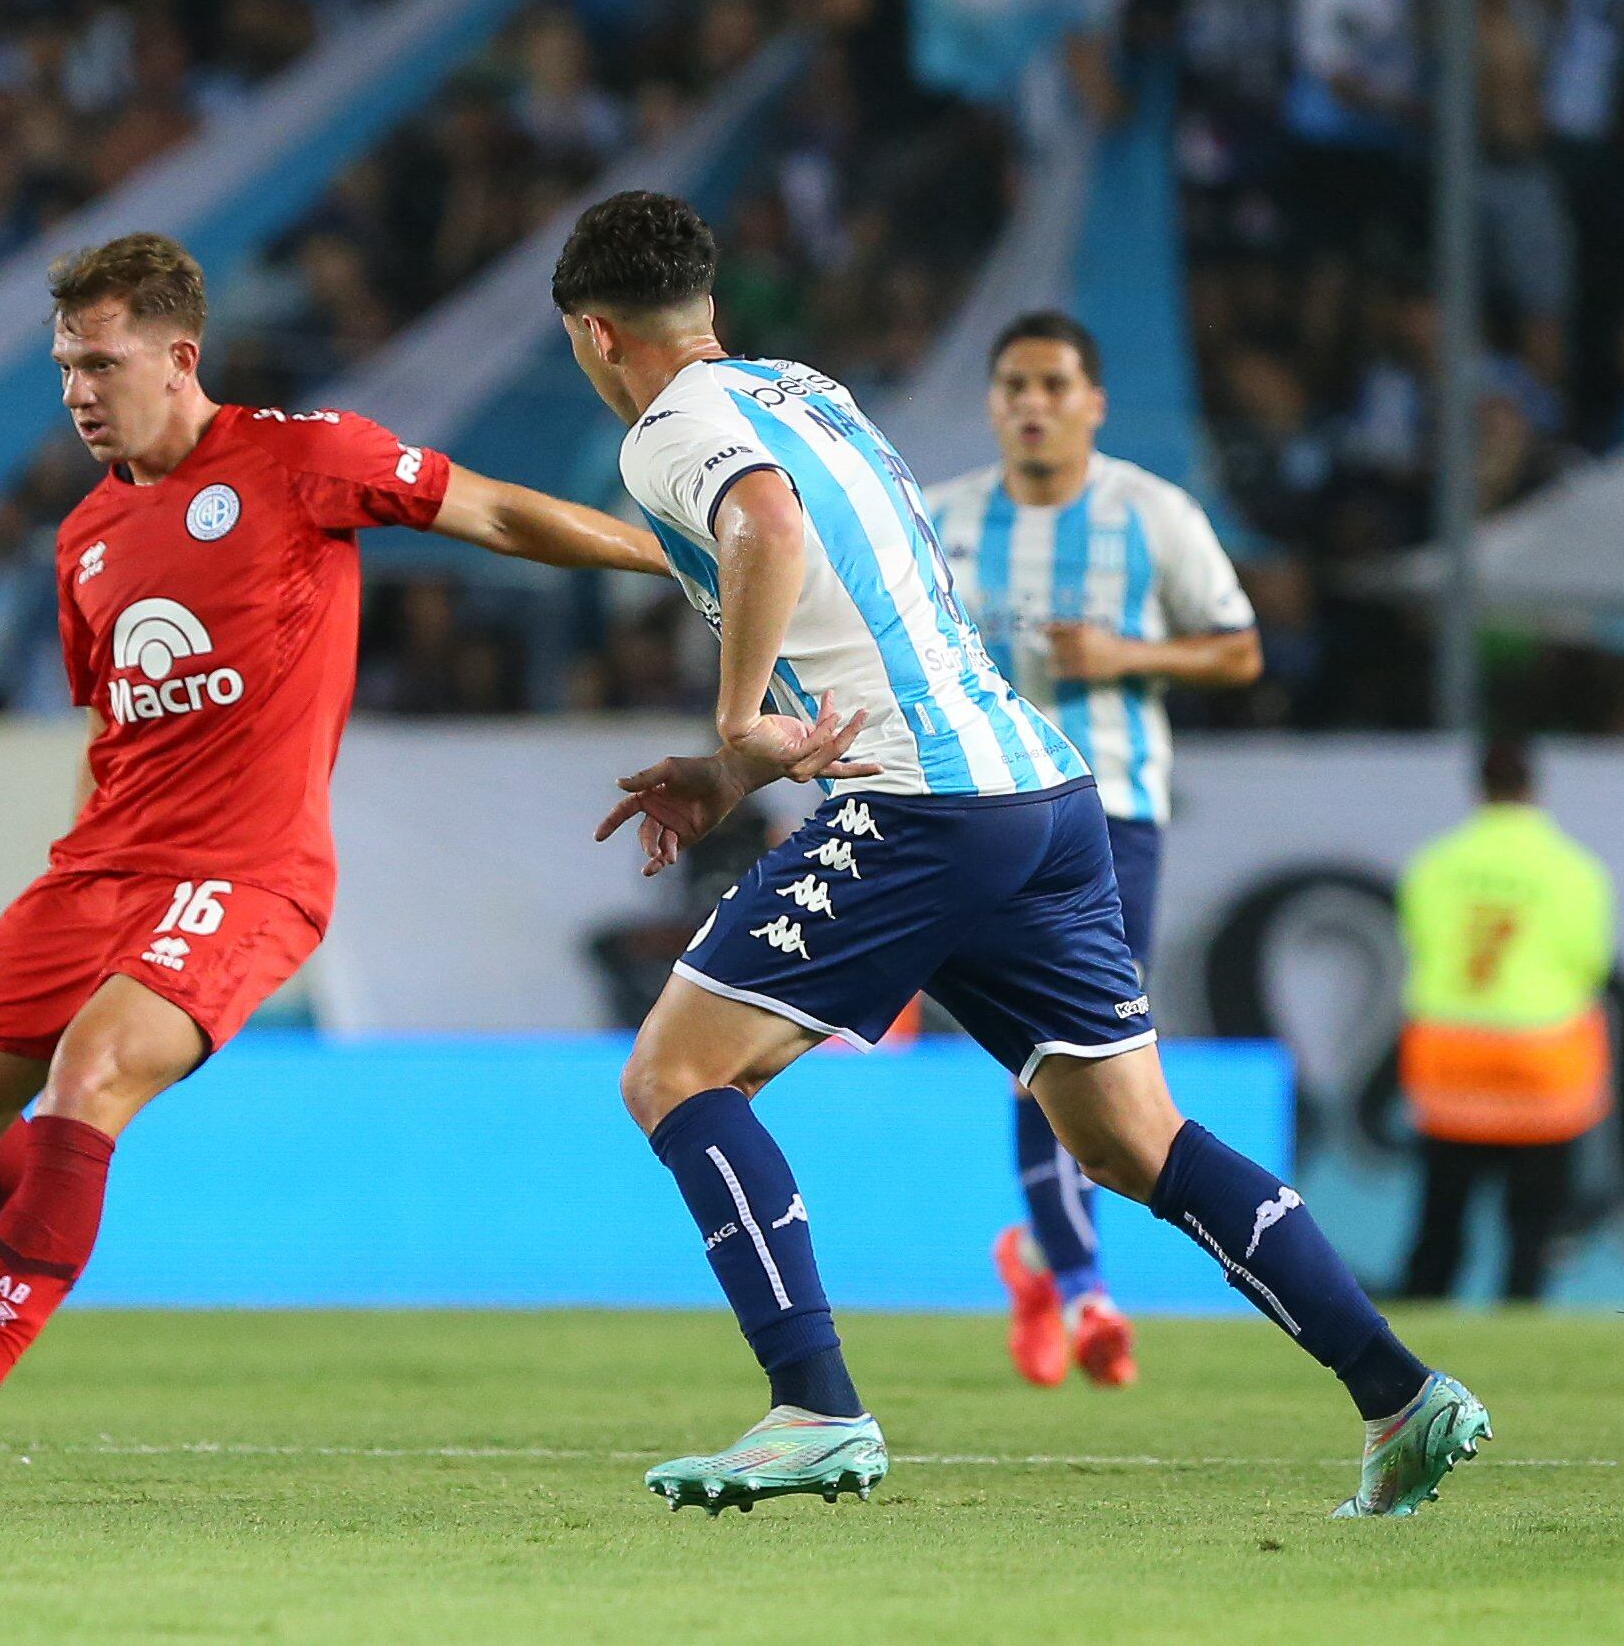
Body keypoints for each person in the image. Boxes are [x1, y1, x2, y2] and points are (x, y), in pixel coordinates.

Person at [553, 189, 1484, 1518]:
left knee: (675, 1074)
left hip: (919, 803)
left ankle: (814, 1403)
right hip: (1042, 790)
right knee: (1132, 1138)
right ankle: (1400, 1388)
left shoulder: (667, 432)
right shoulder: (804, 387)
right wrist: (737, 763)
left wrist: (737, 723)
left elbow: (763, 524)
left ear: (595, 334)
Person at [0, 232, 685, 1481]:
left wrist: (671, 556)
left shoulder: (301, 457)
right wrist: (74, 871)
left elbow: (493, 507)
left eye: (100, 362)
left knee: (91, 1074)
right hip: (96, 871)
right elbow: (112, 724)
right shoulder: (82, 542)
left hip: (246, 872)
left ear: (179, 357)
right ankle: (28, 1239)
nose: (76, 389)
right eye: (63, 364)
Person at [928, 314, 1261, 1390]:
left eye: (1052, 384)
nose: (1031, 403)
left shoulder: (1148, 514)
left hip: (1111, 811)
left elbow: (1240, 647)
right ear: (992, 403)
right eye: (1013, 384)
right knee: (1037, 1057)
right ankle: (1075, 1284)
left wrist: (1125, 653)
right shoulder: (942, 520)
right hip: (978, 810)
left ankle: (1049, 1264)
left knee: (1070, 1057)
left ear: (1092, 401)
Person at [1394, 734, 1615, 1305]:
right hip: (1540, 1055)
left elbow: (1419, 943)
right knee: (1533, 1226)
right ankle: (1522, 1324)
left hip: (1449, 1053)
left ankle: (1410, 1356)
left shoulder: (1435, 862)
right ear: (1534, 788)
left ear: (1479, 789)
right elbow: (1591, 965)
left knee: (1440, 1221)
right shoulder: (1576, 869)